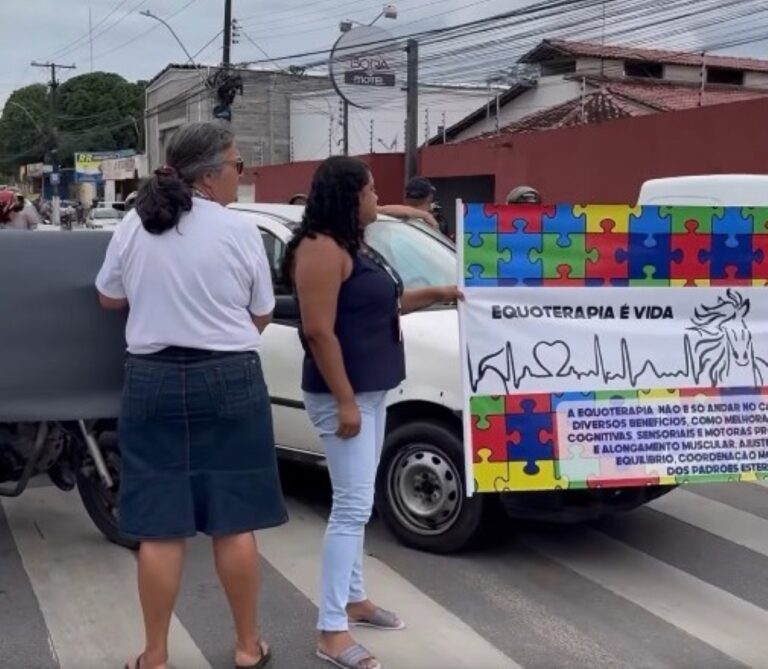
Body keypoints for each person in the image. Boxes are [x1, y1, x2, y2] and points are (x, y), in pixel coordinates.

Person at [95, 121, 287, 669]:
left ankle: (154, 654)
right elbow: (261, 313)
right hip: (229, 379)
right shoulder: (238, 231)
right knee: (233, 521)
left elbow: (108, 299)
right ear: (210, 174)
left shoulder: (135, 224)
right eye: (237, 164)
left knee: (159, 526)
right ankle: (248, 647)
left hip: (152, 379)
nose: (239, 175)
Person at [282, 156, 460, 669]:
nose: (377, 198)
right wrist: (343, 400)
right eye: (371, 190)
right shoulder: (319, 249)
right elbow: (318, 330)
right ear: (348, 196)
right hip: (346, 396)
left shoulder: (355, 245)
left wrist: (444, 292)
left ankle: (355, 601)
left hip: (371, 392)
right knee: (352, 508)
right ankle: (331, 630)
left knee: (357, 505)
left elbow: (389, 303)